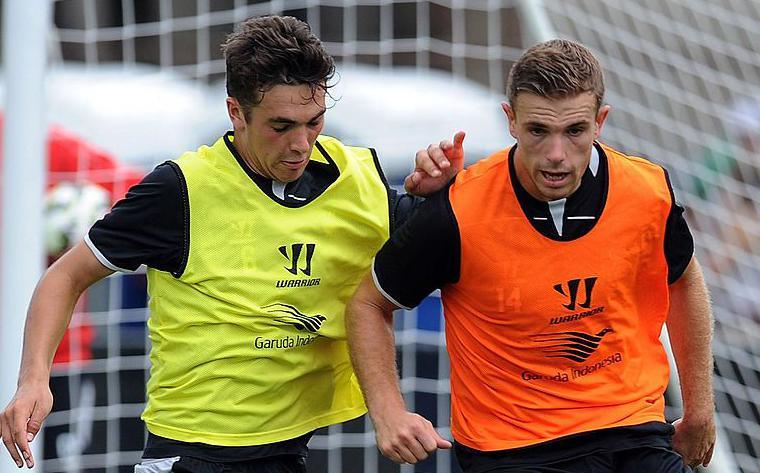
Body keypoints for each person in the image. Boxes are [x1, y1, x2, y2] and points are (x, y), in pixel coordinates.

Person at [0, 15, 459, 472]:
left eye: (313, 122)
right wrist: (33, 380)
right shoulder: (179, 190)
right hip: (190, 453)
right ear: (236, 111)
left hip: (290, 448)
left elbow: (448, 240)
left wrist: (440, 192)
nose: (301, 143)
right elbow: (66, 274)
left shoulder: (359, 181)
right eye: (280, 126)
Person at [347, 39, 716, 472]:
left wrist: (699, 408)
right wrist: (388, 412)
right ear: (511, 121)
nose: (557, 155)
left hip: (633, 432)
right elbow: (368, 303)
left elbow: (684, 279)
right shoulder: (459, 210)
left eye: (575, 131)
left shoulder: (647, 190)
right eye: (539, 130)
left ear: (600, 122)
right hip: (513, 451)